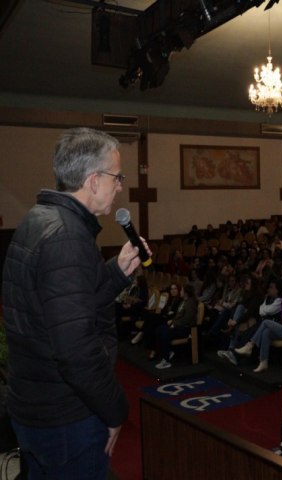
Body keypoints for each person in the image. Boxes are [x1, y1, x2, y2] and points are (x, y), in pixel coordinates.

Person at [2, 128, 146, 478]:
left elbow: (62, 309)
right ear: (94, 180)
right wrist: (115, 411)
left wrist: (116, 273)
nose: (120, 186)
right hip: (64, 416)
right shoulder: (67, 238)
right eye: (117, 177)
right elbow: (76, 352)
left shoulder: (40, 219)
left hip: (36, 405)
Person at [153, 284, 199, 369]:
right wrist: (173, 322)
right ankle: (168, 351)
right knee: (159, 330)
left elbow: (187, 319)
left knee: (164, 333)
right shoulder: (183, 301)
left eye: (181, 290)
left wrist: (174, 324)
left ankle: (166, 361)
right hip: (178, 326)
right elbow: (178, 316)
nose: (180, 292)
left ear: (186, 293)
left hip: (185, 329)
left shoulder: (190, 303)